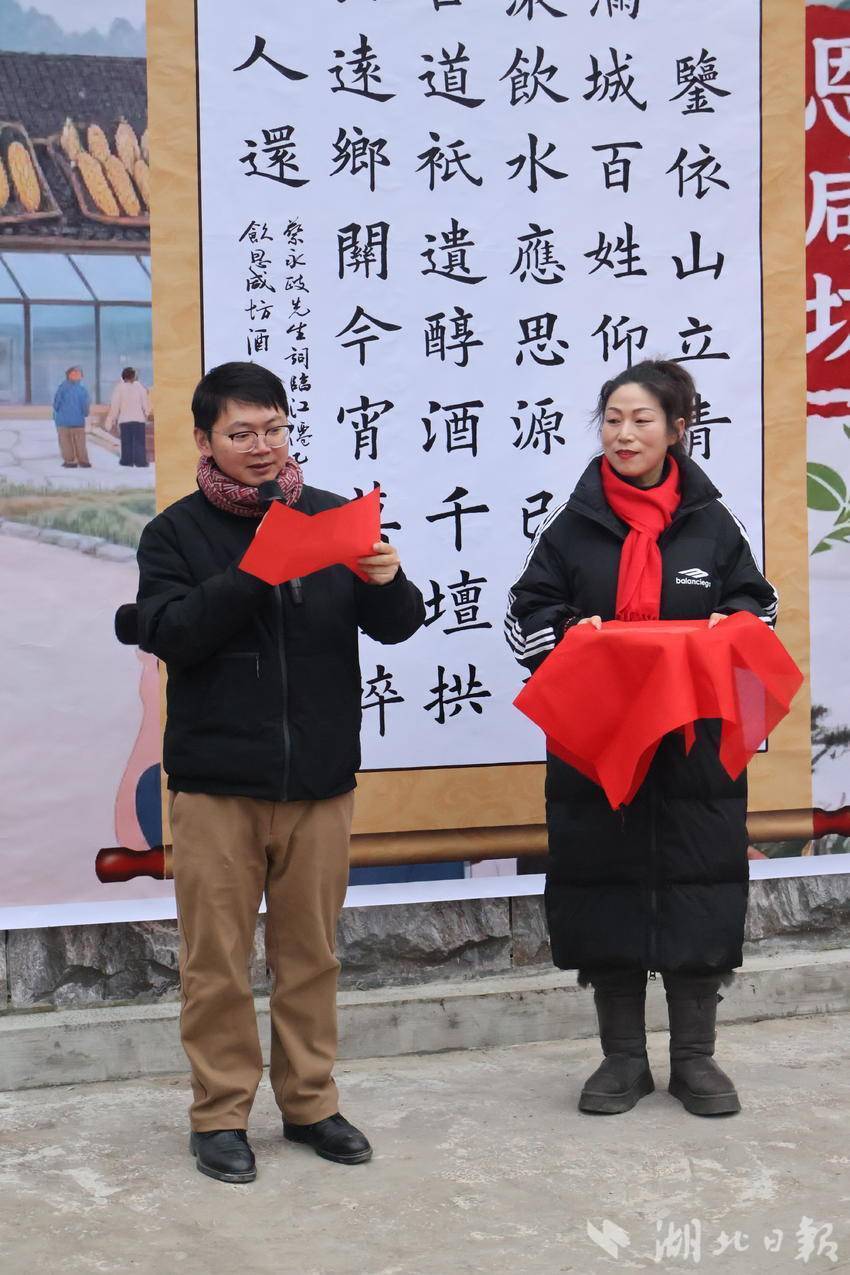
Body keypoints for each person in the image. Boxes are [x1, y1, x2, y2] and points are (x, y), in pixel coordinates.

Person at [136, 361, 425, 1183]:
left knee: (312, 955)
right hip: (218, 784)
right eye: (241, 433)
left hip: (320, 782)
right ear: (204, 440)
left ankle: (310, 1103)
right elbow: (170, 633)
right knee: (216, 962)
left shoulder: (332, 516)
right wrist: (254, 572)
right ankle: (221, 1114)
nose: (261, 446)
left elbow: (398, 625)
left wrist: (389, 580)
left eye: (273, 428)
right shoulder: (175, 534)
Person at [505, 360, 778, 1119]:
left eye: (641, 420)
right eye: (613, 419)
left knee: (700, 887)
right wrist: (572, 633)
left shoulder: (714, 524)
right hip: (600, 747)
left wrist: (733, 626)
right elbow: (524, 616)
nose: (623, 434)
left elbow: (762, 607)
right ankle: (622, 1059)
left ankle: (695, 1059)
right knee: (605, 887)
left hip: (695, 753)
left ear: (678, 429)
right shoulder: (571, 524)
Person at [106, 367, 150, 467]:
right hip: (138, 419)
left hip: (124, 420)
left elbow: (115, 405)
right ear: (134, 376)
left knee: (126, 442)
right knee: (139, 442)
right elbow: (145, 403)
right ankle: (140, 461)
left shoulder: (119, 388)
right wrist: (147, 413)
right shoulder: (140, 387)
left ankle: (126, 461)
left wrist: (112, 419)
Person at [53, 365, 91, 469]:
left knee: (65, 442)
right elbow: (85, 406)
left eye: (78, 373)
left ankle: (70, 461)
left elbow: (56, 404)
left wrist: (58, 411)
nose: (77, 375)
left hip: (63, 421)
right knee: (80, 443)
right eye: (75, 373)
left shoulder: (62, 388)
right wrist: (85, 413)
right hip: (78, 421)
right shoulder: (82, 390)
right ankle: (83, 461)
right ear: (68, 375)